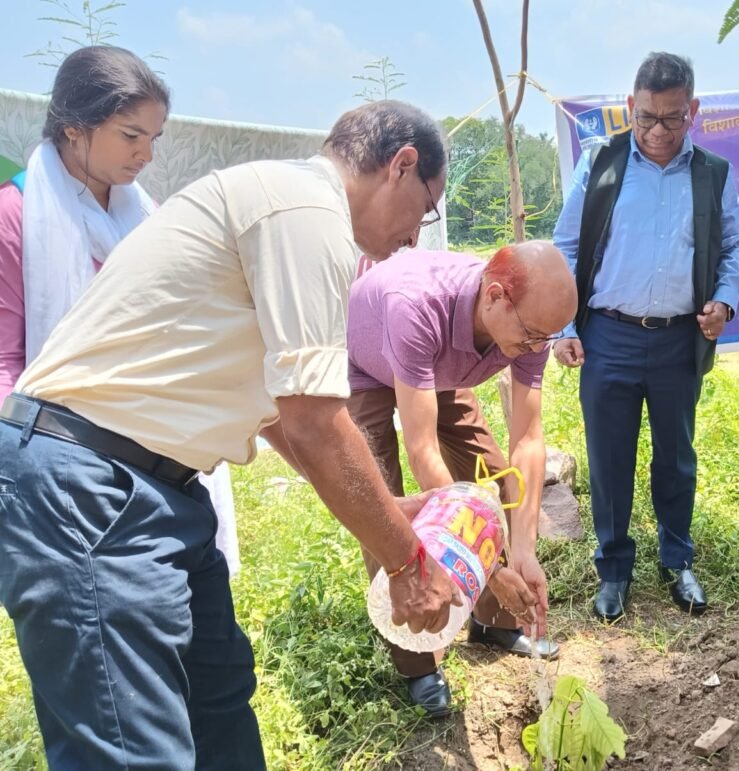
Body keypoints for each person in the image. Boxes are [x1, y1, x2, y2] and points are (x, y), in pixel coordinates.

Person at [0, 100, 456, 769]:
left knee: (218, 710)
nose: (417, 234)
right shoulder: (306, 213)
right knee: (134, 752)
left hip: (156, 491)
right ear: (402, 165)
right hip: (88, 486)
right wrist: (407, 561)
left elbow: (280, 412)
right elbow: (315, 420)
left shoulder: (285, 203)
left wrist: (389, 518)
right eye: (427, 206)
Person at [0, 46, 241, 576]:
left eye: (154, 139)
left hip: (161, 453)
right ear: (73, 128)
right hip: (65, 456)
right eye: (131, 136)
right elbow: (5, 357)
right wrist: (27, 467)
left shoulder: (150, 216)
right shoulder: (18, 215)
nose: (147, 155)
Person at [552, 52, 739, 622]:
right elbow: (565, 247)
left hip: (676, 340)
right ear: (629, 108)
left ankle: (677, 561)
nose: (657, 133)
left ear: (693, 110)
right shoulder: (602, 164)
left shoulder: (712, 173)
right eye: (645, 119)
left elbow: (736, 248)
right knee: (608, 459)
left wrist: (726, 299)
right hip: (606, 336)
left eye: (671, 119)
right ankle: (613, 571)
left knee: (676, 458)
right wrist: (564, 325)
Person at [346, 241, 575, 715]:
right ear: (493, 296)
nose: (536, 350)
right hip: (366, 367)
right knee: (383, 508)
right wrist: (487, 569)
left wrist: (524, 551)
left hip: (440, 373)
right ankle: (420, 663)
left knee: (491, 476)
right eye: (532, 337)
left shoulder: (530, 323)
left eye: (545, 341)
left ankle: (493, 623)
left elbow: (528, 439)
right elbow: (422, 447)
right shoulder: (418, 304)